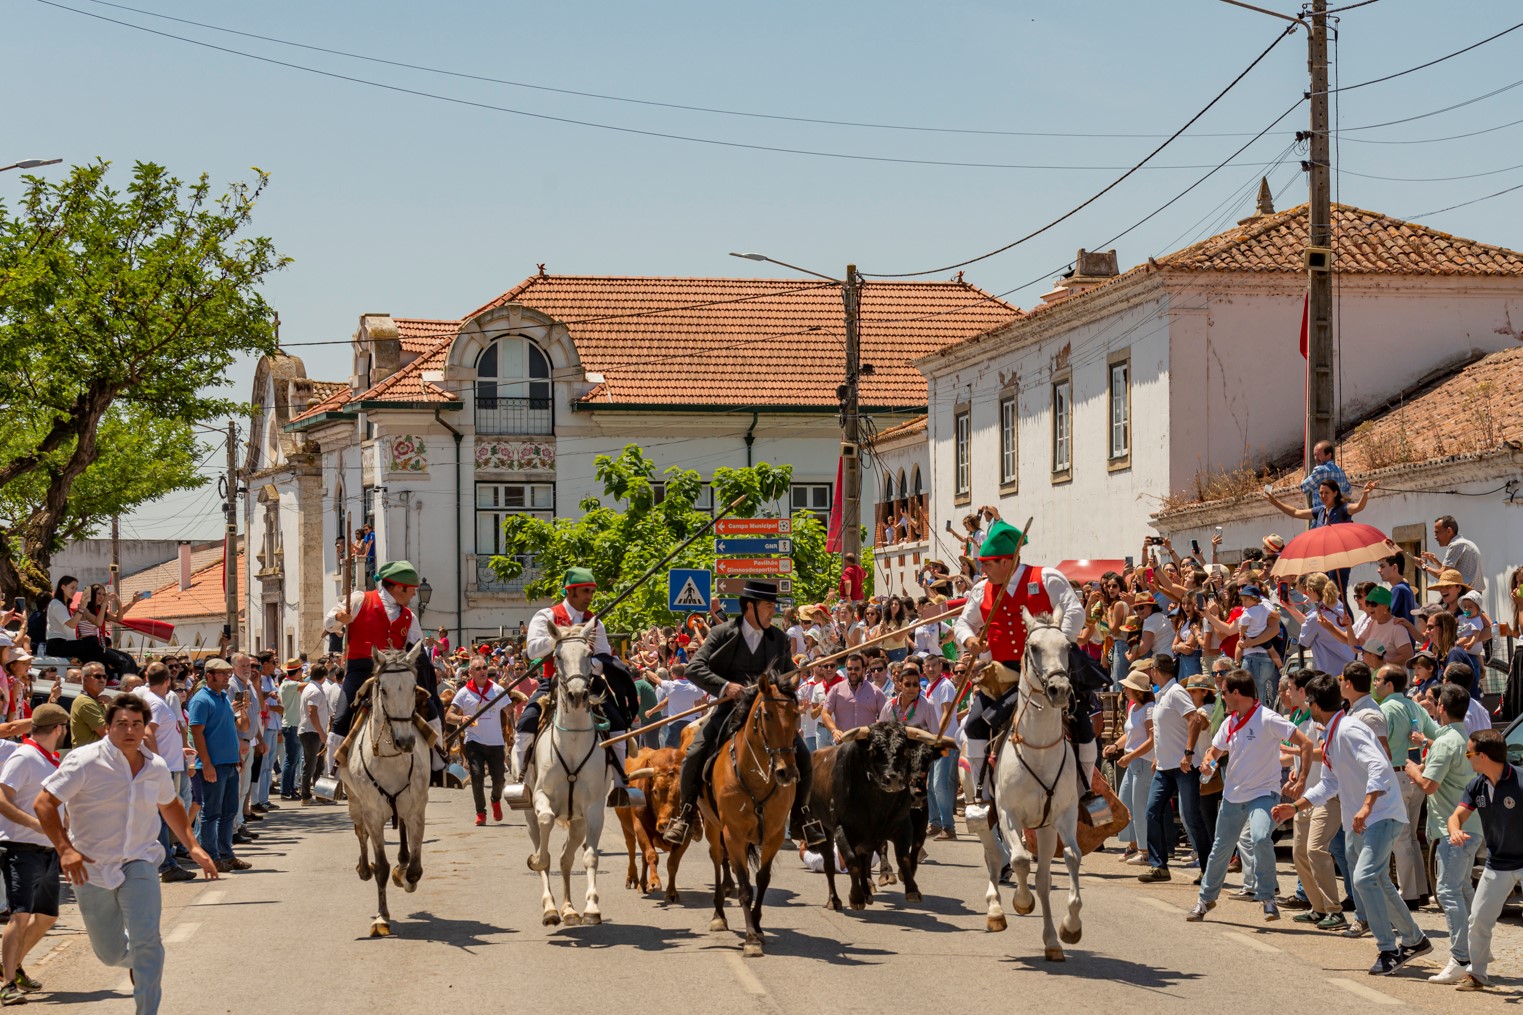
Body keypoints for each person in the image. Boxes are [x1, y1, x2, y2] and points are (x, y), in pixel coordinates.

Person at [35, 694, 218, 1015]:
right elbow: (44, 803)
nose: (130, 730)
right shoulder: (84, 761)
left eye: (137, 724)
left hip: (141, 861)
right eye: (121, 724)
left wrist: (194, 846)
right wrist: (65, 850)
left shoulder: (155, 766)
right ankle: (138, 958)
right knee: (109, 953)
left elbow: (170, 804)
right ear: (107, 728)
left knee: (148, 941)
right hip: (89, 867)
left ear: (146, 728)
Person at [1272, 673, 1430, 977]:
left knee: (1365, 877)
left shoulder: (1348, 730)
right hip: (1364, 820)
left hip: (1380, 815)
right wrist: (1295, 807)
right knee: (1377, 880)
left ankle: (1387, 948)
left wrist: (1367, 805)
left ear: (1315, 705)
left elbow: (1379, 764)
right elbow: (1329, 785)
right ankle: (1414, 940)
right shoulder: (1332, 734)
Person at [662, 580, 826, 848]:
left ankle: (801, 817)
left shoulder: (780, 640)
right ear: (750, 607)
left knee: (804, 757)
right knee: (694, 752)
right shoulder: (721, 634)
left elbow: (785, 680)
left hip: (769, 713)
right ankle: (685, 814)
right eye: (768, 606)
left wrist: (790, 682)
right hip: (729, 708)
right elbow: (694, 669)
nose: (772, 611)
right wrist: (726, 686)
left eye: (774, 606)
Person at [951, 519, 1085, 809]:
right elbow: (963, 622)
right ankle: (981, 794)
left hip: (1048, 669)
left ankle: (1087, 793)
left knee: (1082, 723)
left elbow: (1074, 610)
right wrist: (969, 641)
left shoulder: (1047, 577)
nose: (982, 569)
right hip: (1004, 673)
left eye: (987, 563)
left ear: (1007, 561)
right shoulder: (981, 590)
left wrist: (1057, 642)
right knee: (974, 725)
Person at [1188, 669, 1313, 923]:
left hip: (1264, 793)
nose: (1221, 697)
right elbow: (1214, 751)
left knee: (1259, 838)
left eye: (1223, 692)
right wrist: (1208, 763)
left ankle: (1267, 898)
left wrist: (1301, 779)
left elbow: (1306, 744)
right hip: (1233, 795)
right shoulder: (1229, 722)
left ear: (1236, 692)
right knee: (1220, 850)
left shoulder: (1268, 718)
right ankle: (1205, 900)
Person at [514, 567, 636, 807]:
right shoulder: (546, 616)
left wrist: (583, 663)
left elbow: (603, 658)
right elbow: (533, 651)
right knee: (526, 722)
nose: (590, 597)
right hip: (555, 682)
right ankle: (521, 780)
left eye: (591, 591)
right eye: (585, 592)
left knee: (619, 723)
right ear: (570, 592)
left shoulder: (595, 622)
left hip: (590, 683)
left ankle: (622, 784)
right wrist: (564, 641)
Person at [1405, 685, 1480, 984]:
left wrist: (1411, 769)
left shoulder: (1445, 741)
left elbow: (1428, 785)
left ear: (1441, 709)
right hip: (1472, 828)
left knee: (1449, 891)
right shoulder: (1466, 738)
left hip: (1454, 831)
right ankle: (1475, 951)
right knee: (1462, 890)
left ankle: (1461, 957)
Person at [324, 559, 439, 747]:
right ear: (399, 587)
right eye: (412, 589)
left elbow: (419, 653)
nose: (413, 595)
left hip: (395, 674)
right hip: (361, 671)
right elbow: (328, 623)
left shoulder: (410, 617)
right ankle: (331, 773)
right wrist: (339, 618)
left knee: (432, 714)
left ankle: (439, 764)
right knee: (341, 720)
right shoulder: (360, 599)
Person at [0, 704, 69, 1005]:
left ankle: (13, 968)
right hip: (21, 849)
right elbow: (2, 797)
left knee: (47, 916)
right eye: (64, 728)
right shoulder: (25, 756)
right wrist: (36, 824)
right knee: (20, 915)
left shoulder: (48, 760)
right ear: (58, 729)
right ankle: (6, 984)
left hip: (47, 849)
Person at [1447, 728, 1523, 990]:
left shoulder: (1521, 781)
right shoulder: (1476, 785)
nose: (1467, 758)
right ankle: (1477, 975)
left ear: (1483, 756)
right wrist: (1455, 830)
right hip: (1498, 863)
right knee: (1478, 920)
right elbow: (1455, 816)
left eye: (1469, 753)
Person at [1377, 665, 1435, 909]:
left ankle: (1408, 894)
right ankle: (1419, 890)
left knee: (1401, 839)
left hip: (1397, 776)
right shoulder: (1414, 706)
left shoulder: (1384, 710)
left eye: (1378, 680)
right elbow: (1436, 735)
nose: (1375, 684)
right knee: (1410, 837)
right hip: (1414, 776)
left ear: (1390, 684)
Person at [133, 664, 196, 884]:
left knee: (164, 816)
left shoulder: (156, 701)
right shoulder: (156, 703)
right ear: (168, 680)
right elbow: (149, 734)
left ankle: (166, 861)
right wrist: (158, 762)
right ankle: (167, 864)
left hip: (169, 764)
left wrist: (179, 750)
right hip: (164, 768)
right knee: (162, 817)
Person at [188, 658, 249, 873]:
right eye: (222, 673)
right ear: (210, 675)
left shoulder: (223, 697)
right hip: (213, 765)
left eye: (227, 673)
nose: (226, 677)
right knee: (211, 813)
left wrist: (236, 755)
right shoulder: (201, 700)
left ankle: (226, 854)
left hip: (229, 763)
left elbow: (230, 729)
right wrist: (206, 763)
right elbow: (197, 732)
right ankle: (212, 856)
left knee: (229, 811)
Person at [448, 658, 514, 826]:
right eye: (478, 668)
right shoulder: (463, 693)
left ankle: (495, 800)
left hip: (496, 743)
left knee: (499, 779)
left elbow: (509, 710)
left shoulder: (497, 690)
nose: (483, 671)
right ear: (471, 672)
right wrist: (461, 718)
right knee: (477, 777)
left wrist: (515, 729)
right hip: (474, 742)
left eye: (485, 667)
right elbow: (449, 716)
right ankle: (480, 813)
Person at [1105, 661, 1155, 866]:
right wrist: (1116, 747)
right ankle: (1134, 845)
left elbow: (1152, 740)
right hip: (1134, 760)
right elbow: (1130, 734)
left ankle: (1145, 851)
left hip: (1142, 761)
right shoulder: (1135, 708)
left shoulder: (1149, 709)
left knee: (1139, 806)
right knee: (1126, 802)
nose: (1124, 690)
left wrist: (1131, 755)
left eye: (1127, 687)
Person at [1266, 478, 1374, 527]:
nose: (1323, 496)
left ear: (1335, 493)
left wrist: (1365, 494)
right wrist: (1274, 501)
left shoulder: (1343, 509)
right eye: (1321, 493)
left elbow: (1359, 507)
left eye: (1327, 493)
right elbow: (1295, 512)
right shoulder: (1320, 511)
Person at [1420, 515, 1485, 593]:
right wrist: (1435, 561)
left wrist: (1424, 566)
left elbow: (1443, 575)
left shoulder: (1455, 545)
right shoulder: (1465, 543)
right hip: (1473, 596)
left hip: (1465, 595)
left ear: (1449, 531)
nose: (1435, 537)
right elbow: (1449, 574)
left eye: (1437, 532)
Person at [297, 664, 332, 805]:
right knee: (311, 764)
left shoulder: (313, 688)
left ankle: (320, 794)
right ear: (324, 676)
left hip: (315, 731)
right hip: (312, 732)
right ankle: (306, 796)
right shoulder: (314, 691)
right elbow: (312, 712)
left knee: (318, 765)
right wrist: (321, 733)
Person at [277, 658, 305, 801]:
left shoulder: (290, 684)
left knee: (294, 760)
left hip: (294, 725)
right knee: (290, 759)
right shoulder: (288, 684)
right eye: (301, 670)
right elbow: (304, 685)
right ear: (298, 671)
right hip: (291, 725)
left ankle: (290, 788)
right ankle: (285, 790)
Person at [69, 662, 109, 748]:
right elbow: (108, 734)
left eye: (104, 677)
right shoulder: (85, 702)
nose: (102, 680)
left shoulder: (102, 701)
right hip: (88, 758)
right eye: (97, 676)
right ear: (85, 679)